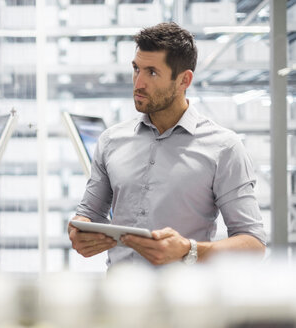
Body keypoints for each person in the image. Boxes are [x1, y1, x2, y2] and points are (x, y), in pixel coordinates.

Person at [68, 22, 266, 267]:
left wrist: (189, 250)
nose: (138, 83)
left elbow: (253, 244)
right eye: (136, 69)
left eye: (151, 72)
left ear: (184, 80)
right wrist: (80, 231)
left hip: (184, 299)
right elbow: (87, 215)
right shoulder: (110, 141)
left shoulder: (223, 147)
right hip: (119, 296)